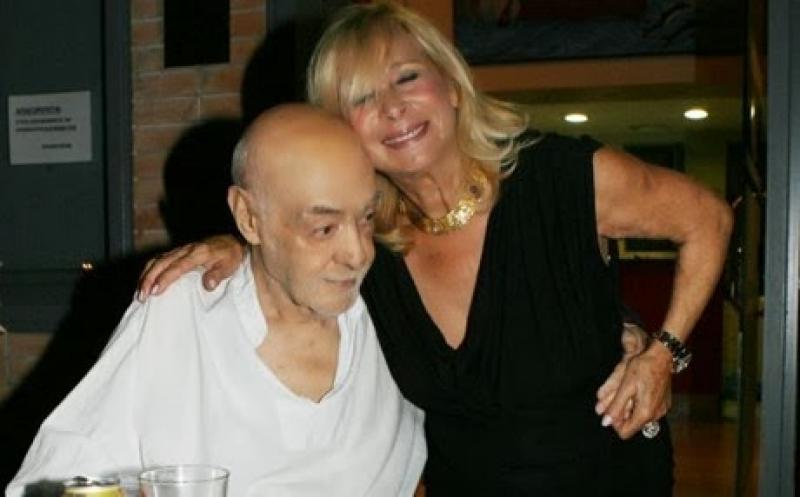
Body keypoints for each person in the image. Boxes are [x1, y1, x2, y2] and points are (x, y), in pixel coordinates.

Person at [138, 2, 733, 495]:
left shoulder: (564, 179)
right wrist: (238, 245)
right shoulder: (367, 248)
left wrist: (664, 353)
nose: (392, 108)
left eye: (406, 78)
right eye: (361, 99)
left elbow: (707, 219)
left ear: (450, 84)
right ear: (341, 133)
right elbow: (292, 258)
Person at [7, 105, 426, 497]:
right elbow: (59, 478)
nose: (358, 253)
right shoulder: (180, 313)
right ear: (248, 217)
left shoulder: (390, 306)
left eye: (366, 218)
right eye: (324, 228)